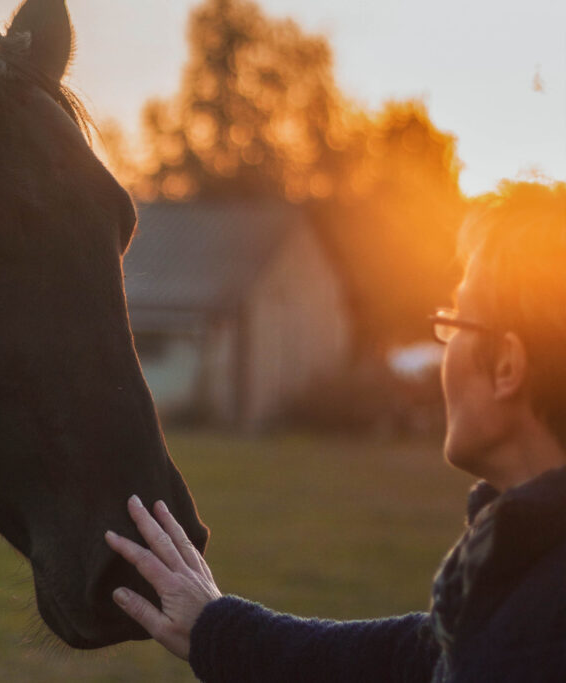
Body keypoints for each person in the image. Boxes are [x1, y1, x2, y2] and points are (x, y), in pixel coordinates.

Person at [105, 180, 566, 681]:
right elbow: (412, 660)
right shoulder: (517, 583)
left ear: (506, 367)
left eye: (457, 322)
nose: (445, 348)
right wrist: (214, 627)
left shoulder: (535, 633)